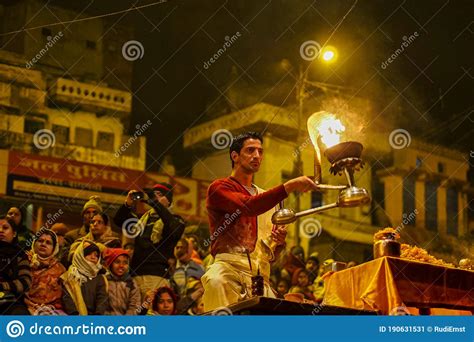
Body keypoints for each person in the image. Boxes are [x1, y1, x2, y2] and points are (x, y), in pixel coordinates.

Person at [201, 132, 318, 311]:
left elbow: (272, 255)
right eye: (250, 150)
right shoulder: (219, 188)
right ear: (235, 156)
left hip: (260, 278)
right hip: (228, 271)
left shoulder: (271, 201)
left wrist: (279, 243)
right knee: (216, 285)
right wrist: (290, 186)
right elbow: (249, 206)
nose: (257, 155)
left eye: (260, 151)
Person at [114, 183, 186, 299]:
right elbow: (118, 220)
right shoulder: (141, 220)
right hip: (135, 276)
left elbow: (173, 229)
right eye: (153, 194)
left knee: (151, 315)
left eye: (159, 195)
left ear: (169, 201)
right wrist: (128, 204)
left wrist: (153, 201)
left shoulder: (176, 220)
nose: (155, 197)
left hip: (156, 277)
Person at [61, 240, 108, 315]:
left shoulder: (100, 278)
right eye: (89, 254)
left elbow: (102, 299)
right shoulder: (69, 276)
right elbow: (66, 298)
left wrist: (98, 316)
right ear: (81, 255)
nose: (93, 257)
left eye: (96, 255)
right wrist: (74, 314)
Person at [25, 229, 66, 315]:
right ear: (34, 243)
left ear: (54, 248)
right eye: (40, 241)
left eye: (48, 243)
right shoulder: (24, 261)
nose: (43, 244)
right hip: (25, 306)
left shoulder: (60, 269)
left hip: (53, 309)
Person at [0, 215, 31, 315]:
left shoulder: (20, 255)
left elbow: (25, 282)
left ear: (14, 233)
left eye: (5, 228)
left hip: (10, 301)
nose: (1, 230)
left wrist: (2, 286)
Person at [62, 196, 103, 265]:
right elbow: (64, 260)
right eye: (87, 213)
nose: (91, 216)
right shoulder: (71, 236)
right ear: (83, 216)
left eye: (95, 213)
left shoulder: (110, 238)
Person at [103, 248, 141, 315]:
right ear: (111, 264)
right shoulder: (104, 281)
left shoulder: (131, 283)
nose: (121, 266)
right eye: (117, 262)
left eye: (125, 263)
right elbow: (100, 306)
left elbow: (134, 306)